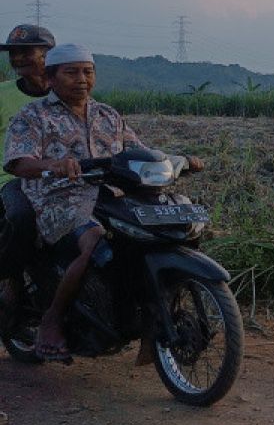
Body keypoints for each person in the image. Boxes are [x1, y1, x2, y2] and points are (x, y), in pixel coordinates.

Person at [2, 43, 202, 361]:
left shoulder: (108, 115)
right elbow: (17, 162)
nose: (82, 79)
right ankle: (52, 320)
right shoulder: (33, 116)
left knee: (159, 228)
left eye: (88, 71)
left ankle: (150, 316)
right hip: (58, 198)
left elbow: (138, 150)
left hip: (110, 195)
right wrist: (52, 165)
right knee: (93, 238)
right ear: (51, 78)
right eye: (72, 72)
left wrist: (179, 160)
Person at [0, 25, 56, 333]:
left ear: (48, 55)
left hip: (58, 177)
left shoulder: (66, 90)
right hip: (11, 178)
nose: (18, 58)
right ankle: (10, 278)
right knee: (21, 216)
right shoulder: (3, 95)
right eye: (13, 53)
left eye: (26, 51)